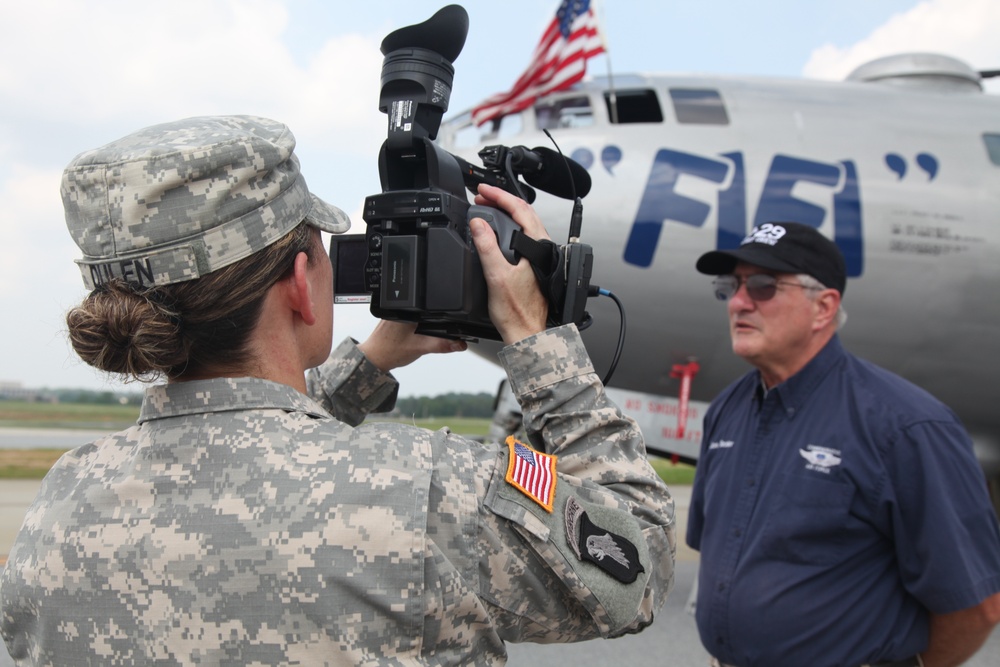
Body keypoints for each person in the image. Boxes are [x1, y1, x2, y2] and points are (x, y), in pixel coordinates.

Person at [0, 115, 676, 665]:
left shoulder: (62, 503)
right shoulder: (431, 491)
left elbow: (247, 450)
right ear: (301, 281)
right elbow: (637, 559)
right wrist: (539, 341)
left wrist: (373, 361)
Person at [686, 222, 1000, 667]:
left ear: (823, 308)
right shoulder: (727, 410)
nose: (739, 302)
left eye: (763, 286)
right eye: (731, 286)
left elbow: (977, 605)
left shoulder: (906, 426)